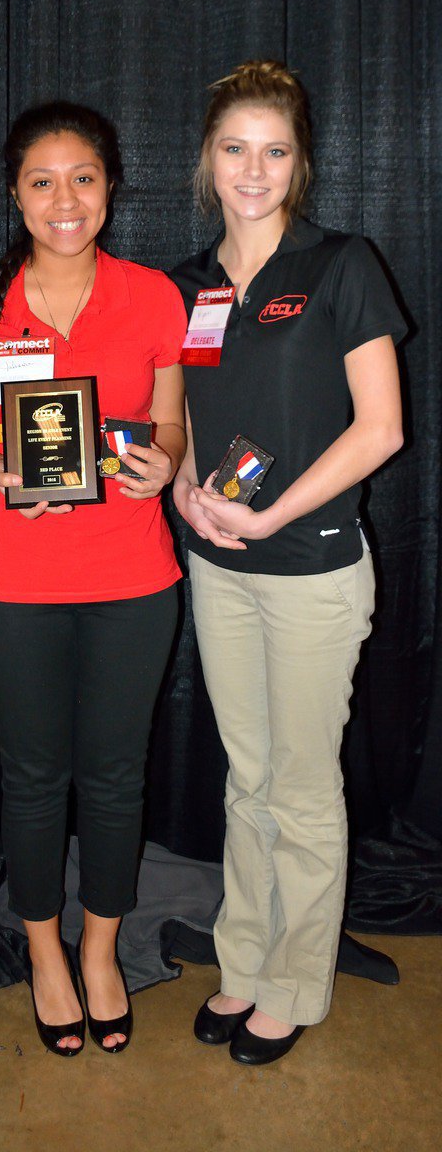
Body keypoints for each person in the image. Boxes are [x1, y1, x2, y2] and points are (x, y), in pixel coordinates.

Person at [0, 101, 187, 1055]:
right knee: (33, 778)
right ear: (15, 194)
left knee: (117, 777)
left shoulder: (153, 296)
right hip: (14, 582)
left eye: (83, 177)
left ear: (110, 186)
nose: (64, 199)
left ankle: (102, 951)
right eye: (42, 181)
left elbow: (172, 424)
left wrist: (163, 462)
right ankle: (45, 951)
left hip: (133, 578)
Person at [171, 60, 405, 1065]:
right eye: (235, 149)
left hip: (311, 567)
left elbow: (379, 429)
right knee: (247, 776)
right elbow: (183, 418)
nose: (253, 170)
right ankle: (243, 960)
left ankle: (294, 984)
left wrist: (274, 516)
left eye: (274, 151)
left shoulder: (341, 264)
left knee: (301, 788)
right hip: (219, 566)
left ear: (299, 162)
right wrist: (184, 490)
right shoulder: (188, 285)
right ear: (207, 160)